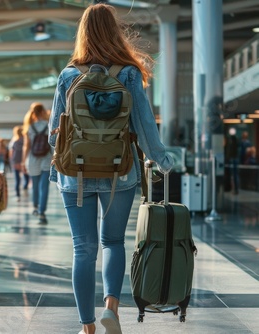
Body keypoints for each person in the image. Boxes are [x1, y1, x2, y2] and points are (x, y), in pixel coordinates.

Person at [48, 4, 174, 334]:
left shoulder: (69, 75)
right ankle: (111, 309)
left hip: (74, 174)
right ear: (115, 31)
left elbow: (53, 134)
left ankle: (87, 328)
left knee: (83, 249)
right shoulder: (129, 74)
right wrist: (162, 159)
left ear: (82, 33)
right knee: (113, 242)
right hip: (121, 172)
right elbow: (145, 127)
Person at [22, 102, 52, 224]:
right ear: (43, 112)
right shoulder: (49, 126)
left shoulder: (30, 127)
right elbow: (52, 144)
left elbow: (27, 146)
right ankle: (42, 213)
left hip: (33, 160)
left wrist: (23, 161)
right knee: (44, 187)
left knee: (35, 186)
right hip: (47, 159)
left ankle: (35, 207)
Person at [9, 125, 30, 202]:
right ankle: (25, 187)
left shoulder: (14, 141)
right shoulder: (25, 140)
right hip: (23, 161)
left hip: (15, 161)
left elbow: (11, 152)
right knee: (26, 176)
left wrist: (11, 161)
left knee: (17, 179)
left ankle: (18, 195)